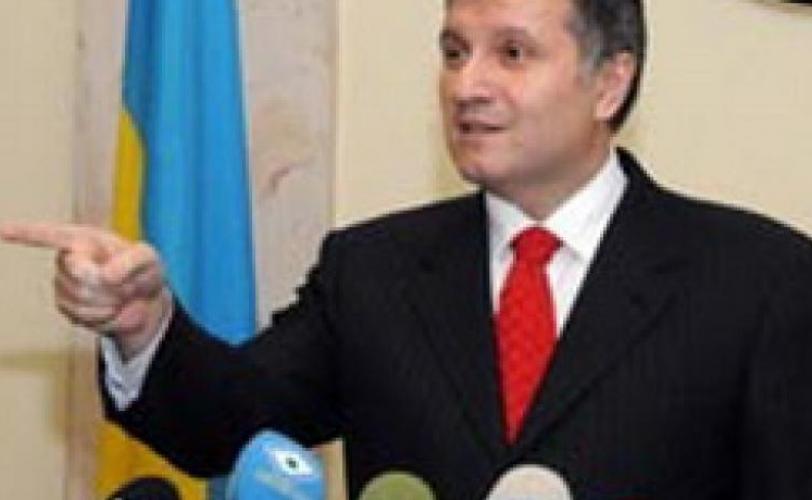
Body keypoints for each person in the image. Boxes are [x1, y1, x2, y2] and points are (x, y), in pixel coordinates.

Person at [3, 0, 811, 497]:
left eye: (512, 53)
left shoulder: (761, 282)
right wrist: (144, 326)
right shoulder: (373, 272)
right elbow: (226, 424)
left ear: (610, 82)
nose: (467, 85)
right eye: (454, 51)